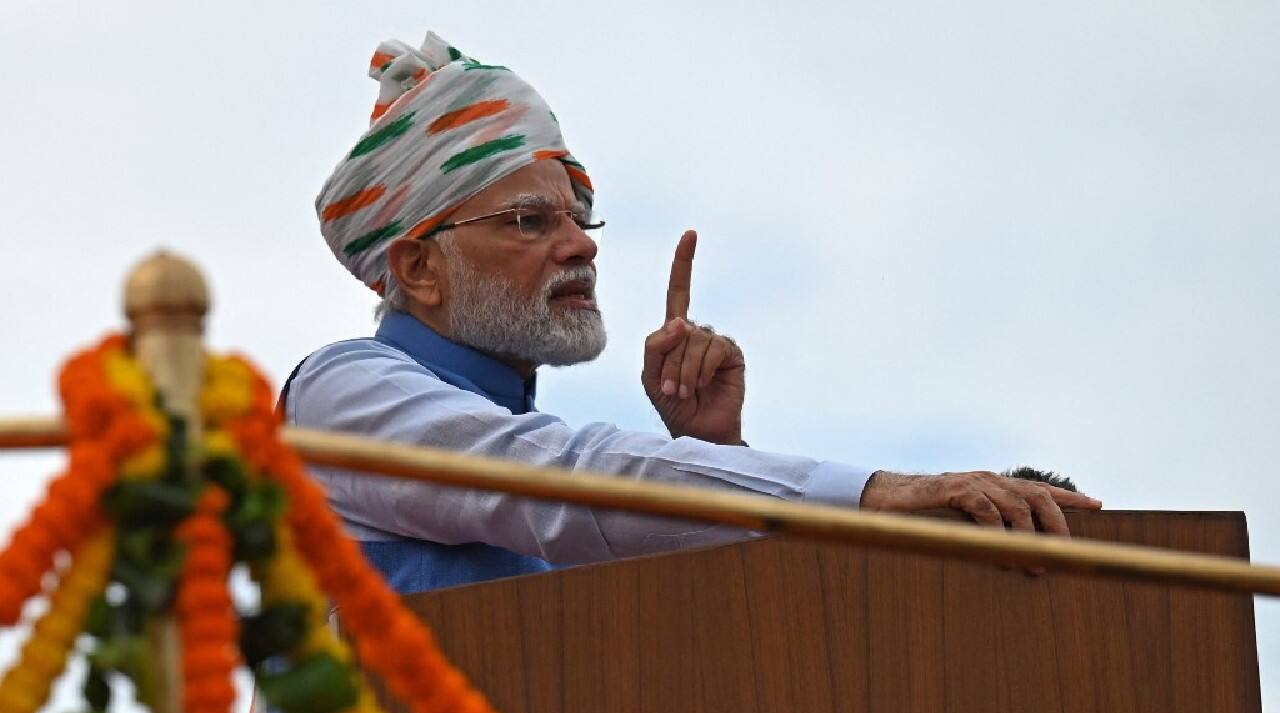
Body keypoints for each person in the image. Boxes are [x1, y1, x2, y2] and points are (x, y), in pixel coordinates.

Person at [286, 31, 1102, 596]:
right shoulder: (341, 396)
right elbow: (563, 487)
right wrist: (878, 495)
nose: (581, 247)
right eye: (532, 221)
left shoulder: (536, 463)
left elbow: (658, 644)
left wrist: (710, 453)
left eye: (580, 217)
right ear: (419, 269)